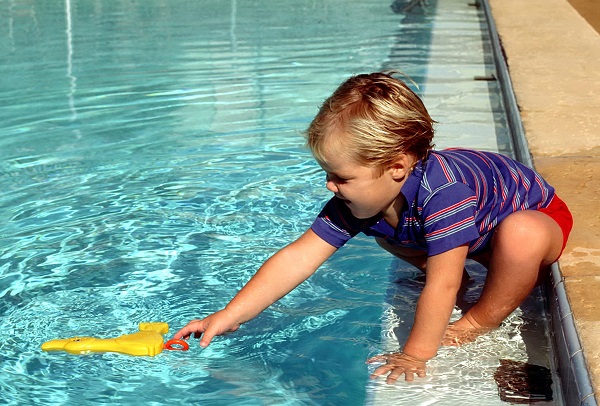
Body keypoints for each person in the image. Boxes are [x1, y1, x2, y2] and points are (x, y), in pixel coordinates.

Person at [173, 72, 573, 383]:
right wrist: (229, 314)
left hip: (536, 219)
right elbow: (298, 258)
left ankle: (481, 317)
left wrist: (416, 353)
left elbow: (442, 286)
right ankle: (455, 256)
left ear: (397, 168)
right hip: (478, 231)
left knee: (521, 235)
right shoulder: (366, 197)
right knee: (387, 226)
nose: (330, 185)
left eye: (340, 177)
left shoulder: (445, 195)